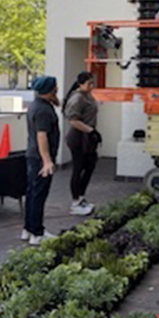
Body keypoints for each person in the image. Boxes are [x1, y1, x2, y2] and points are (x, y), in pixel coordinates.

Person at [22, 76, 60, 245]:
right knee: (38, 195)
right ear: (51, 90)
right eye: (55, 87)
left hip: (32, 156)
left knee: (32, 193)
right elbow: (42, 136)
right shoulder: (44, 110)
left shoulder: (36, 105)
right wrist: (47, 161)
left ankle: (28, 229)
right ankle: (37, 233)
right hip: (40, 158)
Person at [62, 71, 102, 216]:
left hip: (88, 136)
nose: (92, 86)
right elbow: (72, 120)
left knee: (90, 165)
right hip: (78, 137)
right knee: (78, 168)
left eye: (93, 83)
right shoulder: (77, 98)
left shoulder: (88, 95)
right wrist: (90, 131)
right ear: (81, 84)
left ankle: (81, 196)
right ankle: (75, 202)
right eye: (89, 83)